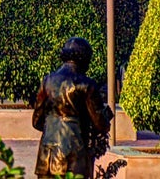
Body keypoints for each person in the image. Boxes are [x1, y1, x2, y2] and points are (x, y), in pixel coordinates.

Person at [31, 37, 113, 179]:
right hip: (74, 155)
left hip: (47, 155)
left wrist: (52, 128)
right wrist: (106, 116)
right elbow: (100, 124)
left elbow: (36, 122)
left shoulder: (47, 81)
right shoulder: (86, 84)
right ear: (84, 59)